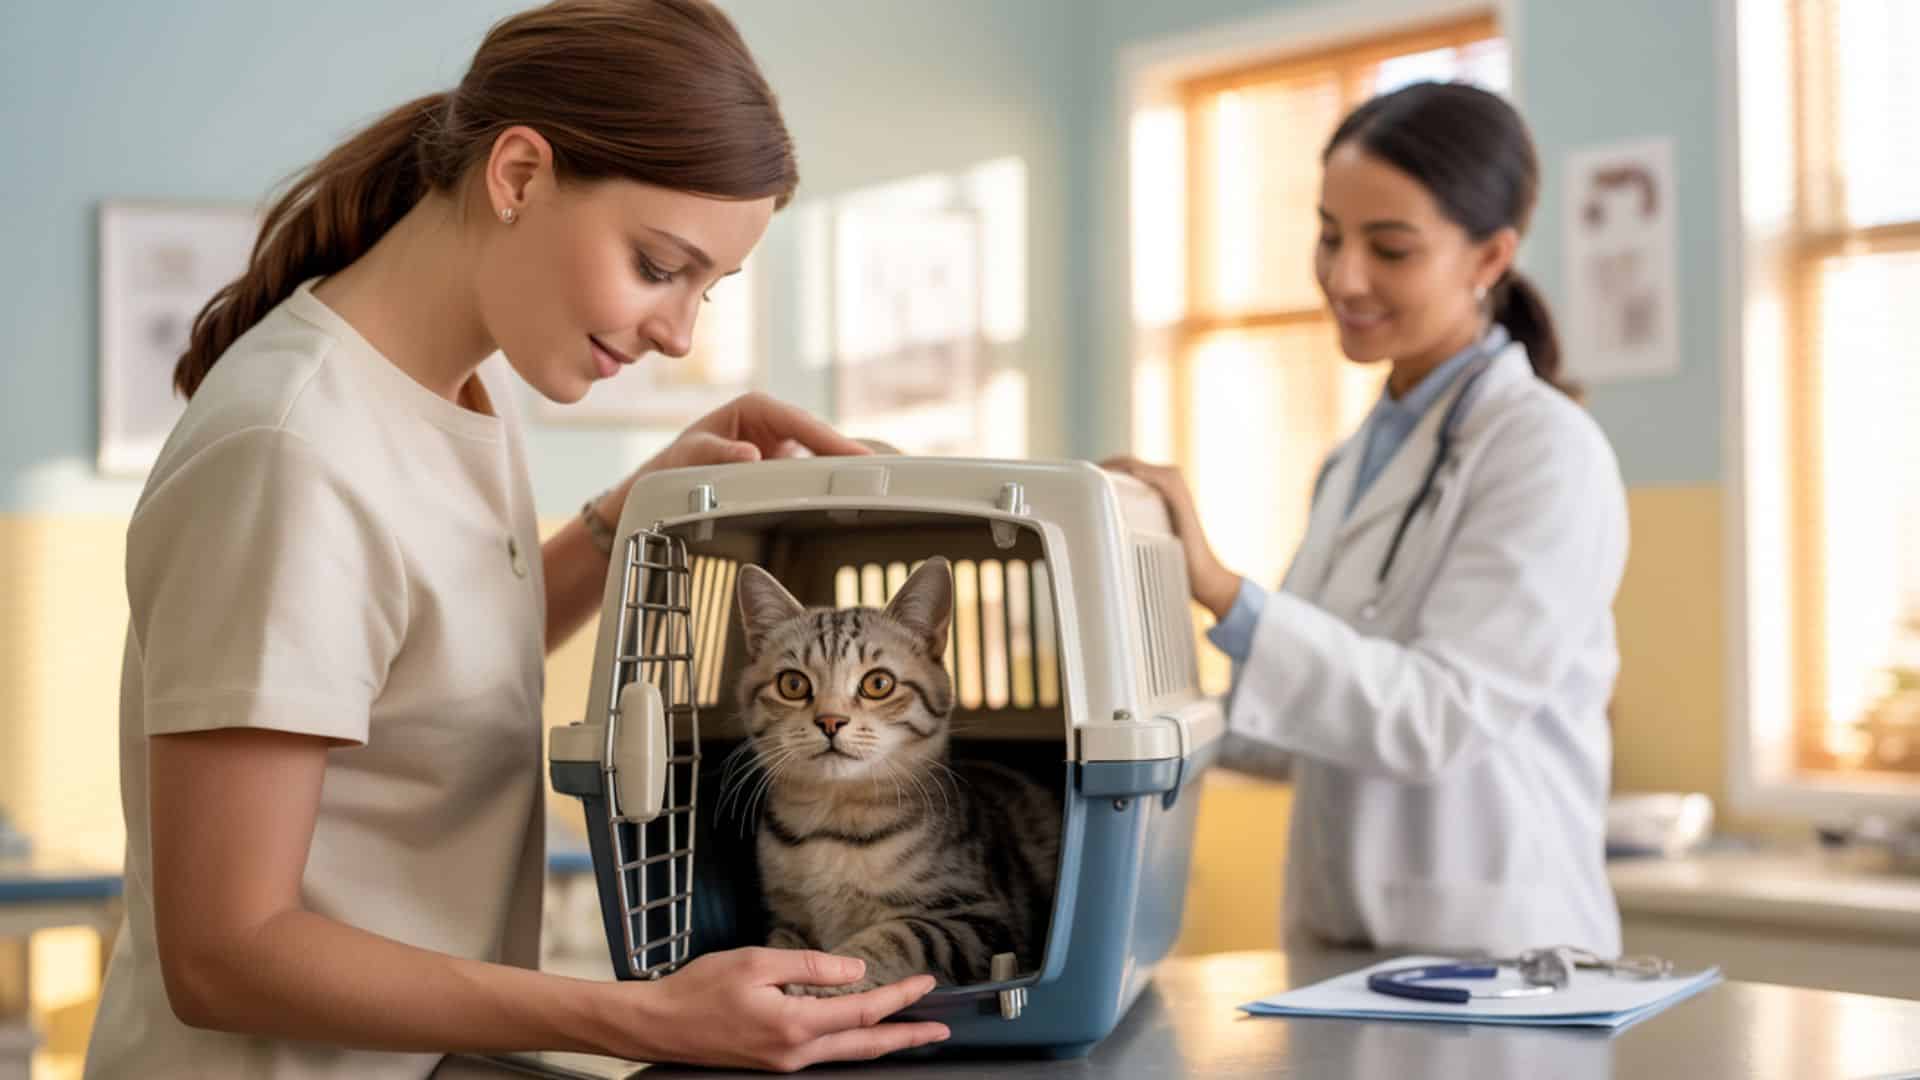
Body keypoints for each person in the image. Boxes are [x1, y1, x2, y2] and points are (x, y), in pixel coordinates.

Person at [84, 1, 950, 1075]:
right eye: (657, 265)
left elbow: (419, 667)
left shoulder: (454, 391)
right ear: (520, 176)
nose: (679, 332)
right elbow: (226, 953)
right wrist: (640, 1017)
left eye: (708, 289)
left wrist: (631, 509)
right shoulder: (289, 448)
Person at [1107, 81, 1628, 956]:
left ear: (1490, 258)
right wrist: (1113, 726)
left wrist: (1223, 591)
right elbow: (1303, 719)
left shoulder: (1546, 451)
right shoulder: (1357, 460)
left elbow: (1436, 716)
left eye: (1389, 248)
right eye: (1329, 236)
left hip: (1500, 955)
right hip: (1344, 943)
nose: (1344, 277)